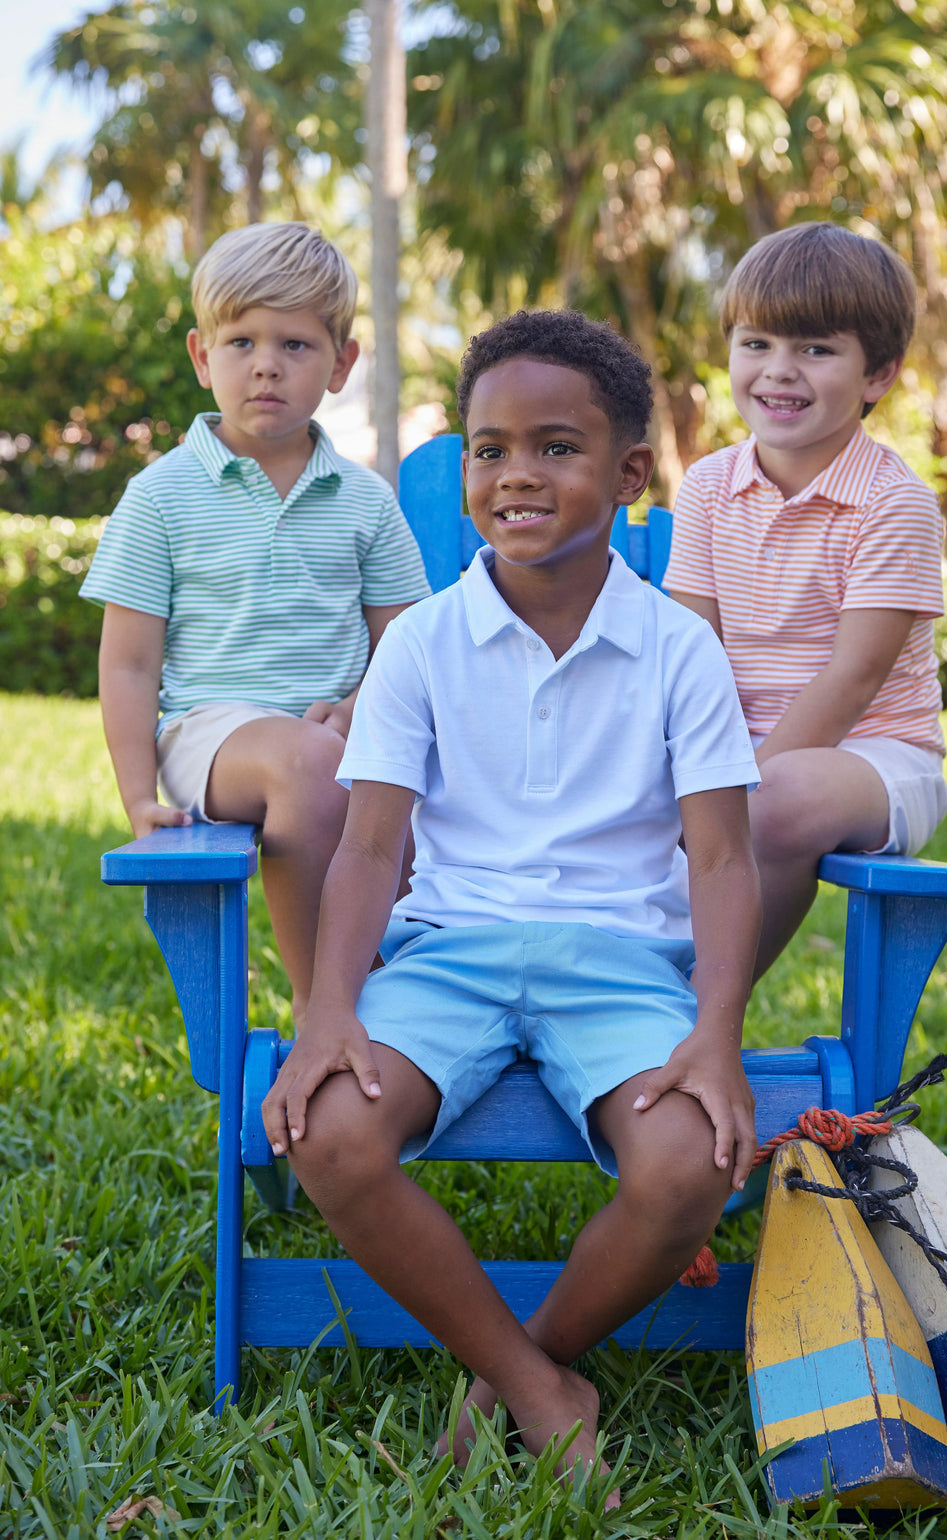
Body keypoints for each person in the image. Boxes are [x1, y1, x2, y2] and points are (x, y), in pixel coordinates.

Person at [261, 310, 762, 1502]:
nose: (514, 476)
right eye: (488, 450)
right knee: (329, 1133)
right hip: (451, 952)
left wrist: (715, 1034)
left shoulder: (676, 647)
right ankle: (544, 1391)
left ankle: (509, 1376)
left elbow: (724, 862)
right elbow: (370, 848)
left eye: (554, 447)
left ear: (630, 473)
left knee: (692, 1162)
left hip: (619, 956)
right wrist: (329, 1007)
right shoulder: (425, 643)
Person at [81, 223, 431, 1022]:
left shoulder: (366, 501)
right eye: (242, 340)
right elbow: (129, 665)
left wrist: (357, 705)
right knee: (313, 762)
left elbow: (406, 647)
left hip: (341, 735)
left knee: (370, 769)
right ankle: (322, 1007)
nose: (266, 363)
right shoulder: (161, 497)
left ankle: (401, 994)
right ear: (204, 357)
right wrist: (139, 799)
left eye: (297, 345)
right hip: (209, 736)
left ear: (341, 364)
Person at [663, 222, 947, 978]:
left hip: (876, 760)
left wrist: (732, 786)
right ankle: (605, 983)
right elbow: (691, 648)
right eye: (755, 344)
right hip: (738, 750)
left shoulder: (894, 504)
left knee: (778, 797)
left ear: (878, 375)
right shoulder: (709, 487)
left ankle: (702, 1002)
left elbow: (853, 679)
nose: (778, 372)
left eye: (816, 350)